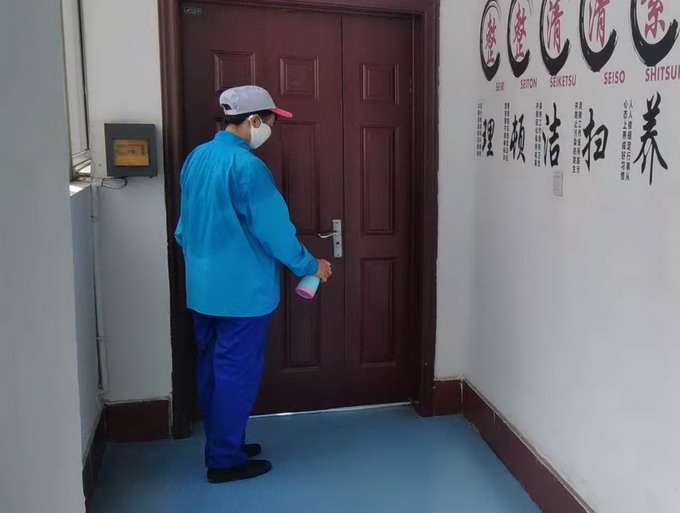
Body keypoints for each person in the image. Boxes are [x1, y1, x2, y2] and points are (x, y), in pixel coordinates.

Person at [174, 85, 333, 484]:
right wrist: (310, 265)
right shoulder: (248, 167)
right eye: (271, 122)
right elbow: (274, 231)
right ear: (254, 120)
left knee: (212, 369)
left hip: (203, 288)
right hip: (241, 294)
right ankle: (225, 461)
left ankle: (224, 444)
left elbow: (183, 228)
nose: (271, 131)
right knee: (235, 374)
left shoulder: (197, 157)